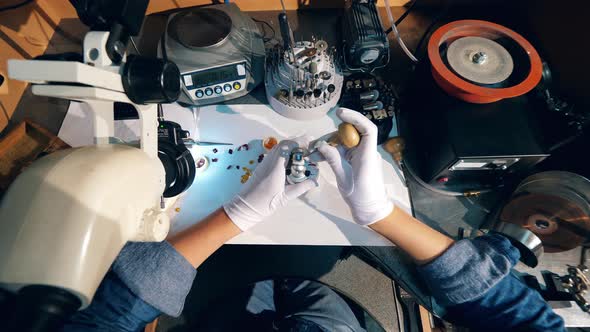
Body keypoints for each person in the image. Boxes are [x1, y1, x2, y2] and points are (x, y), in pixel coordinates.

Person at [62, 108, 565, 332]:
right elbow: (521, 320)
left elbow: (104, 319)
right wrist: (381, 214)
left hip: (230, 320)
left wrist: (238, 215)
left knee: (239, 297)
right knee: (302, 293)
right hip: (332, 321)